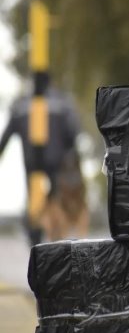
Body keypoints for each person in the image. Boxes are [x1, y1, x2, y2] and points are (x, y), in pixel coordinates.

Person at [0, 89, 81, 246]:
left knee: (34, 196)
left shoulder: (22, 104)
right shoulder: (61, 101)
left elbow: (8, 132)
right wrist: (70, 152)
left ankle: (34, 231)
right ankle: (51, 230)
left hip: (32, 159)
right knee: (55, 194)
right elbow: (73, 131)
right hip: (57, 158)